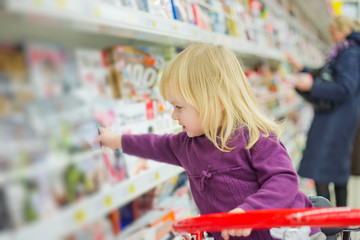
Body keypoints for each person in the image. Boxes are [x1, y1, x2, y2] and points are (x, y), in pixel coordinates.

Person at [95, 43, 322, 240]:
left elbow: (283, 180)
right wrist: (115, 140)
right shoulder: (185, 146)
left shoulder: (255, 139)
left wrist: (248, 212)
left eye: (179, 107)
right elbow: (153, 144)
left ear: (215, 102)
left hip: (289, 234)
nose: (174, 115)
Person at [287, 15, 360, 207]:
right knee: (333, 170)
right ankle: (337, 223)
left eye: (333, 32)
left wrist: (312, 86)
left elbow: (346, 88)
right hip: (337, 118)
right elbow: (328, 74)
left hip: (337, 120)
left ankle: (330, 224)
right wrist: (303, 68)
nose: (332, 36)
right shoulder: (344, 50)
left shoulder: (350, 53)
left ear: (343, 30)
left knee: (323, 169)